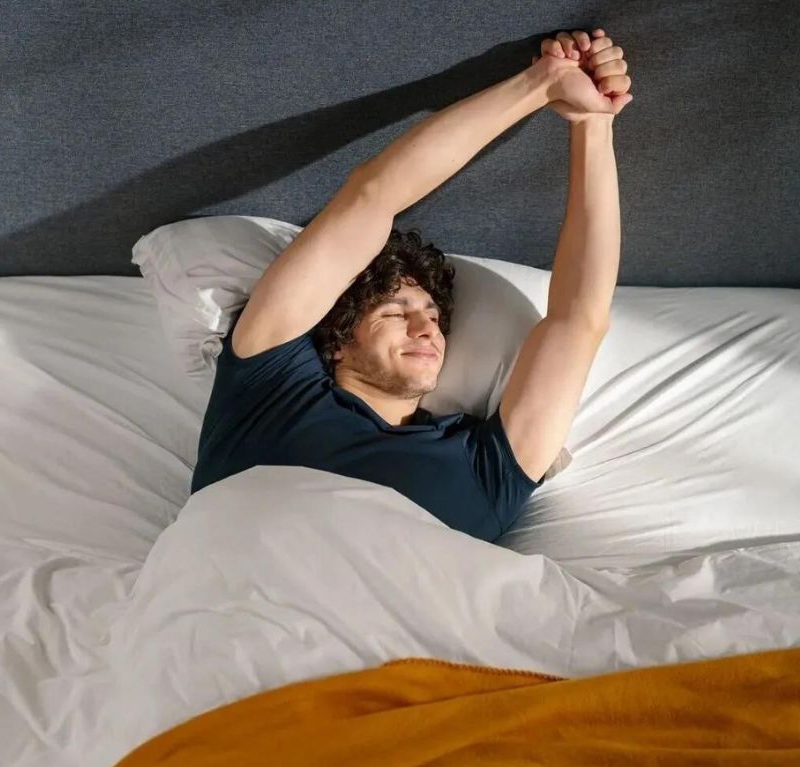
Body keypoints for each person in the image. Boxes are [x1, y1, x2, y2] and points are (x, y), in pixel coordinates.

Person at [192, 28, 632, 542]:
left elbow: (579, 318)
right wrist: (542, 82)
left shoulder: (485, 467)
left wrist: (593, 124)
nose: (426, 329)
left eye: (434, 316)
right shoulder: (270, 390)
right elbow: (372, 196)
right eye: (395, 312)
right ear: (337, 340)